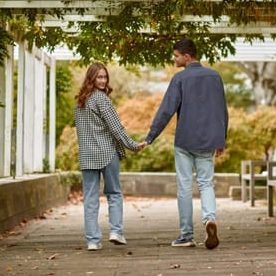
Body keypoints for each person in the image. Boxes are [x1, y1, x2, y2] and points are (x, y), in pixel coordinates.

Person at [145, 38, 229, 249]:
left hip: (185, 140)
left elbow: (166, 110)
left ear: (186, 56)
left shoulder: (180, 79)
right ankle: (209, 219)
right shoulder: (215, 76)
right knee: (206, 183)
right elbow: (222, 110)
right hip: (209, 140)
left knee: (184, 186)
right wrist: (221, 139)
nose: (174, 59)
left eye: (176, 56)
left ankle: (186, 235)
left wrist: (150, 137)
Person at [74, 62, 146, 251]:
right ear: (91, 78)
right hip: (106, 153)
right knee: (114, 193)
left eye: (105, 77)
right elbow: (116, 128)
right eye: (99, 77)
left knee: (90, 198)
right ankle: (116, 231)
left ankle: (92, 241)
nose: (103, 80)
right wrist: (133, 145)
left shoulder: (80, 102)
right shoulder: (102, 99)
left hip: (87, 155)